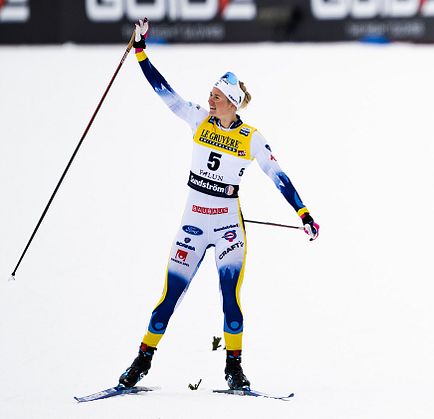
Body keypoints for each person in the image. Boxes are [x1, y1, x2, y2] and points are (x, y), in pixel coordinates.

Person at [118, 19, 320, 390]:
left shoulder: (250, 137)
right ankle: (140, 362)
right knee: (168, 300)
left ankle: (234, 369)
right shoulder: (198, 118)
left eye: (216, 95)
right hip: (192, 224)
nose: (209, 99)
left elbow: (278, 176)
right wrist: (141, 51)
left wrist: (303, 213)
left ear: (233, 103)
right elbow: (165, 93)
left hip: (228, 228)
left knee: (230, 299)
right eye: (210, 93)